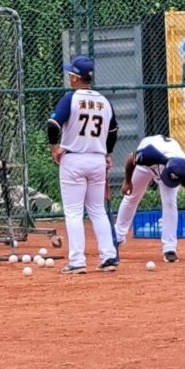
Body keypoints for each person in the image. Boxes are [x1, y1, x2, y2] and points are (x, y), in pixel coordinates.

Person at [46, 55, 119, 274]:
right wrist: (108, 153)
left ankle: (77, 261)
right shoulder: (104, 101)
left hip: (74, 159)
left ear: (77, 78)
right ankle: (109, 257)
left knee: (74, 212)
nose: (69, 76)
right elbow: (114, 131)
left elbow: (52, 125)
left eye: (71, 73)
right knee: (97, 210)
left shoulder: (71, 98)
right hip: (97, 160)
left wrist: (54, 148)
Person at [113, 135, 185, 263]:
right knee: (131, 197)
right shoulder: (150, 154)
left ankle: (169, 249)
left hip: (168, 164)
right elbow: (130, 158)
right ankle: (117, 237)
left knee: (170, 202)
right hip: (149, 165)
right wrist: (127, 181)